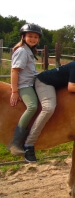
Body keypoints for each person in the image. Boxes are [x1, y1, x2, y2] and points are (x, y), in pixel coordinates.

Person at [23, 47, 75, 163]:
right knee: (49, 108)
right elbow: (71, 87)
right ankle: (29, 143)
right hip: (44, 82)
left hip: (55, 85)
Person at [8, 23, 42, 156]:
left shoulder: (30, 50)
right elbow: (14, 71)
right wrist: (15, 91)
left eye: (35, 37)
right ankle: (16, 142)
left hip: (32, 82)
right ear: (23, 37)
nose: (33, 39)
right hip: (25, 85)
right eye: (30, 36)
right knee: (32, 106)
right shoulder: (22, 51)